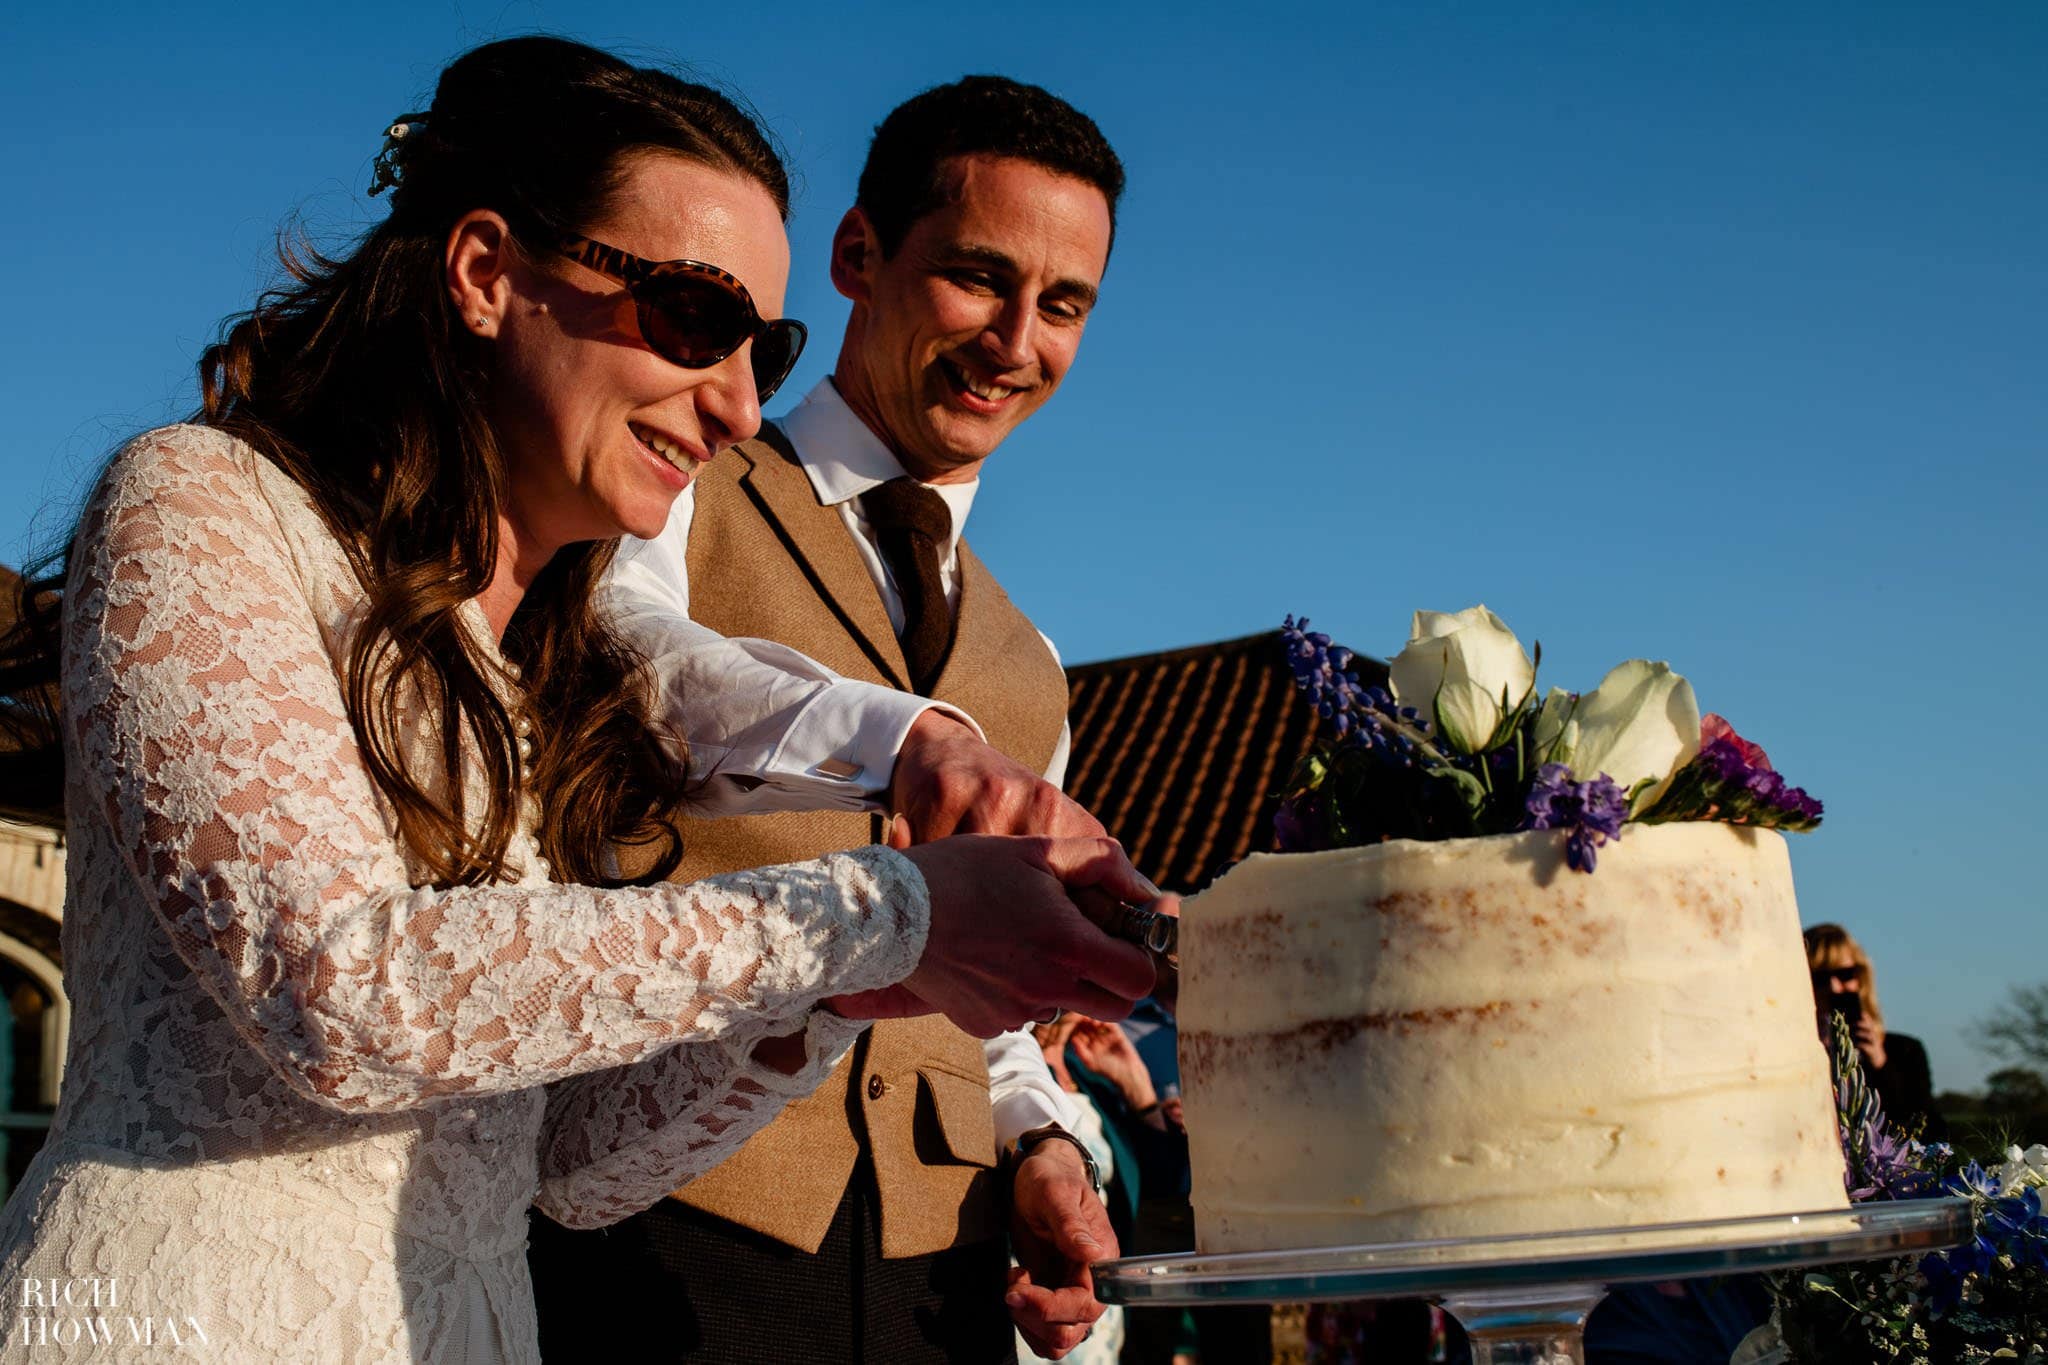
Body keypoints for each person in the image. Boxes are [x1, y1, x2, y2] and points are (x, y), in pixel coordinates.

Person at [0, 39, 1160, 1363]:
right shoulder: (200, 500)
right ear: (488, 274)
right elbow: (336, 994)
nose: (735, 406)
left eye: (761, 350)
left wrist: (854, 997)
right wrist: (878, 913)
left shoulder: (531, 660)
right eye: (692, 319)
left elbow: (564, 1160)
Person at [528, 75, 1136, 1363]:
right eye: (979, 278)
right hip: (662, 1216)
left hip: (939, 1273)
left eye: (1063, 304)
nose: (1015, 341)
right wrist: (909, 738)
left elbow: (1001, 1014)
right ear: (858, 255)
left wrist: (1033, 1143)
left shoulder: (1033, 662)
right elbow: (634, 668)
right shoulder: (677, 471)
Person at [1804, 923, 1943, 1137]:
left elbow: (1929, 1132)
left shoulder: (1905, 1051)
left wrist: (1880, 1065)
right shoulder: (1789, 1058)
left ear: (1861, 977)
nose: (1833, 987)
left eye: (1844, 974)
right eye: (1819, 979)